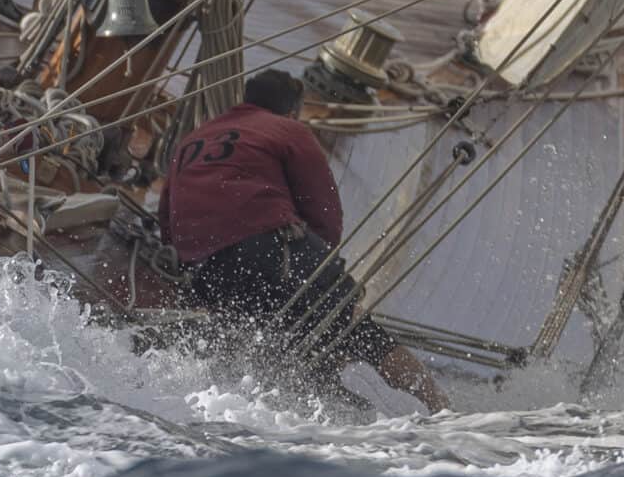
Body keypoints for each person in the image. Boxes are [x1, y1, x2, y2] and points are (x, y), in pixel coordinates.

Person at [161, 70, 448, 412]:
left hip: (206, 269)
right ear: (292, 109)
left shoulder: (193, 139)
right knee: (353, 328)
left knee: (269, 337)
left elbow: (167, 220)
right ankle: (444, 411)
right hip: (269, 249)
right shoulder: (288, 130)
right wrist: (324, 273)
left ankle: (315, 407)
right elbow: (325, 214)